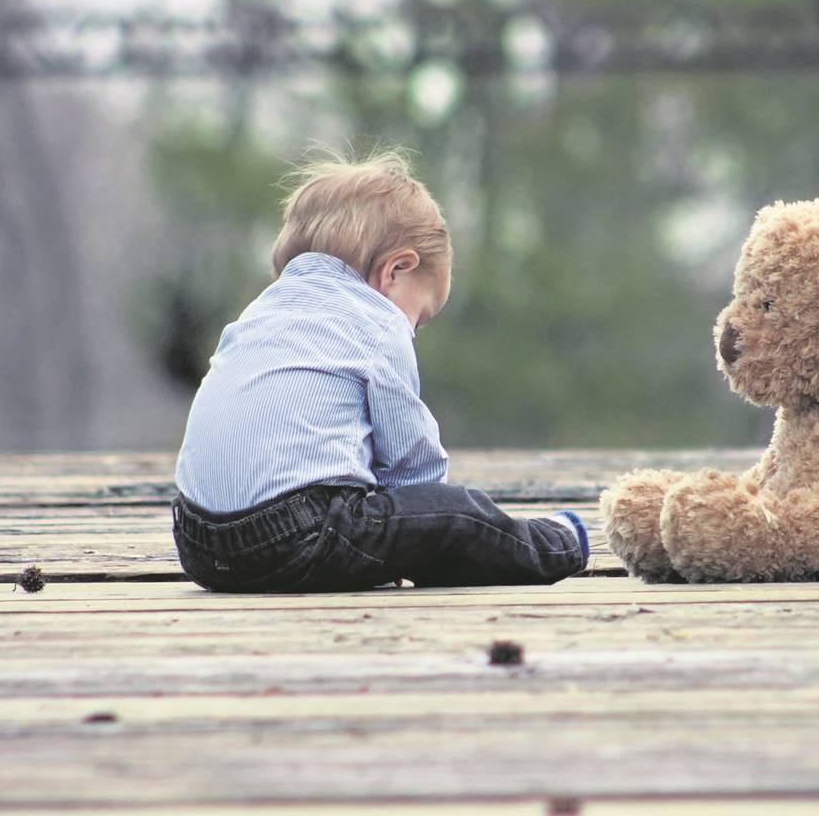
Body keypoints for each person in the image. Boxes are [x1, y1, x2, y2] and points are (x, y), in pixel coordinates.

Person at [171, 149, 589, 592]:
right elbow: (413, 463)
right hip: (298, 538)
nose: (413, 332)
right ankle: (558, 543)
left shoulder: (258, 313)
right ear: (396, 271)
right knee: (457, 513)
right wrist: (423, 525)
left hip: (198, 544)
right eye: (420, 318)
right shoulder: (377, 321)